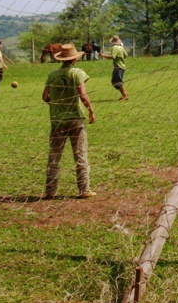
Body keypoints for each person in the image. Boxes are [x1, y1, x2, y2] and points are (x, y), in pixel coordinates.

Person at [42, 43, 96, 199]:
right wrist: (91, 110)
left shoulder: (52, 75)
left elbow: (45, 97)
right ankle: (84, 190)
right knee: (80, 155)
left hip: (57, 120)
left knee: (54, 156)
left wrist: (57, 104)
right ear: (74, 59)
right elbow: (83, 95)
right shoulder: (78, 73)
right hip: (76, 119)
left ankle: (50, 191)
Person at [100, 35, 128, 100]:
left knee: (116, 82)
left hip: (118, 67)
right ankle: (124, 94)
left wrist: (103, 55)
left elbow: (113, 56)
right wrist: (120, 58)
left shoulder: (115, 47)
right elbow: (126, 55)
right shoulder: (121, 47)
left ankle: (125, 95)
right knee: (117, 81)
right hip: (122, 66)